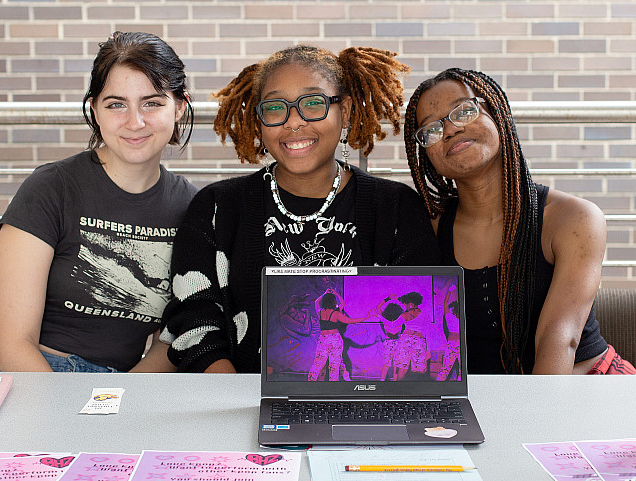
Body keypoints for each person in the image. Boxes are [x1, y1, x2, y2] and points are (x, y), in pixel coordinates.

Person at [159, 44, 440, 373]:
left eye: (312, 103)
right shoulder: (218, 208)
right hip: (238, 401)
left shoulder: (395, 209)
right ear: (260, 120)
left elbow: (415, 314)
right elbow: (192, 317)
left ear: (345, 111)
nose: (293, 122)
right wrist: (235, 398)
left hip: (366, 400)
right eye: (276, 108)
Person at [0, 31, 198, 373]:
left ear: (179, 107)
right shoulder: (51, 188)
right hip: (21, 371)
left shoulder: (191, 207)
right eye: (116, 104)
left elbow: (170, 341)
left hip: (110, 386)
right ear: (95, 111)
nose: (135, 121)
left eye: (152, 102)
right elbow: (13, 345)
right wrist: (71, 420)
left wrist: (119, 401)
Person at [404, 68, 636, 375]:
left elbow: (560, 338)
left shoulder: (573, 218)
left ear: (497, 113)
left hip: (587, 390)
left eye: (463, 111)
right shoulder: (429, 230)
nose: (449, 129)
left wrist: (532, 422)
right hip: (487, 405)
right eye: (431, 129)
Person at [307, 288, 371, 381]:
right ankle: (334, 386)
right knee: (334, 365)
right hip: (334, 340)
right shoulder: (336, 313)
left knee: (317, 363)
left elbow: (316, 302)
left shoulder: (320, 311)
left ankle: (310, 383)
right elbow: (351, 320)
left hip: (323, 339)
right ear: (333, 302)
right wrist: (367, 317)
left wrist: (325, 293)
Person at [437, 285, 461, 381]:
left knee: (445, 369)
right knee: (461, 370)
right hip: (460, 344)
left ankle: (438, 387)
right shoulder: (461, 319)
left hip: (451, 344)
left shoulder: (449, 317)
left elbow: (445, 302)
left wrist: (450, 290)